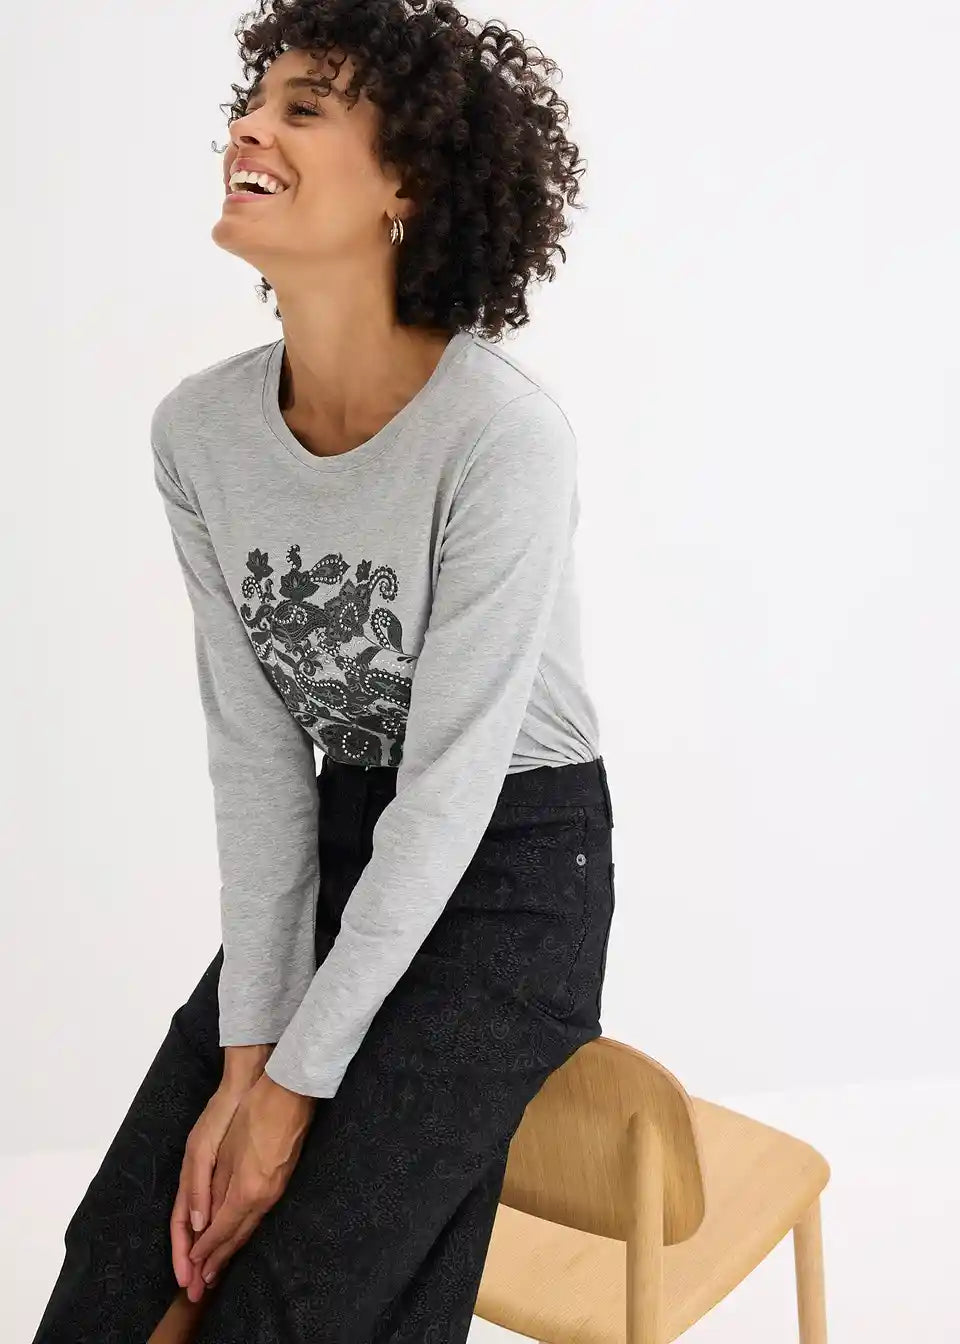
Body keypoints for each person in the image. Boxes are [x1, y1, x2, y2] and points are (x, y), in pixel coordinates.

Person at [32, 4, 616, 1341]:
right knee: (123, 1265)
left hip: (510, 874)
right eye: (255, 102)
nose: (249, 126)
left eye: (305, 108)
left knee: (297, 1292)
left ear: (408, 183)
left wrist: (293, 1100)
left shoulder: (500, 437)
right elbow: (257, 765)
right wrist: (247, 1066)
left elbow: (453, 791)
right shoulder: (201, 435)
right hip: (341, 839)